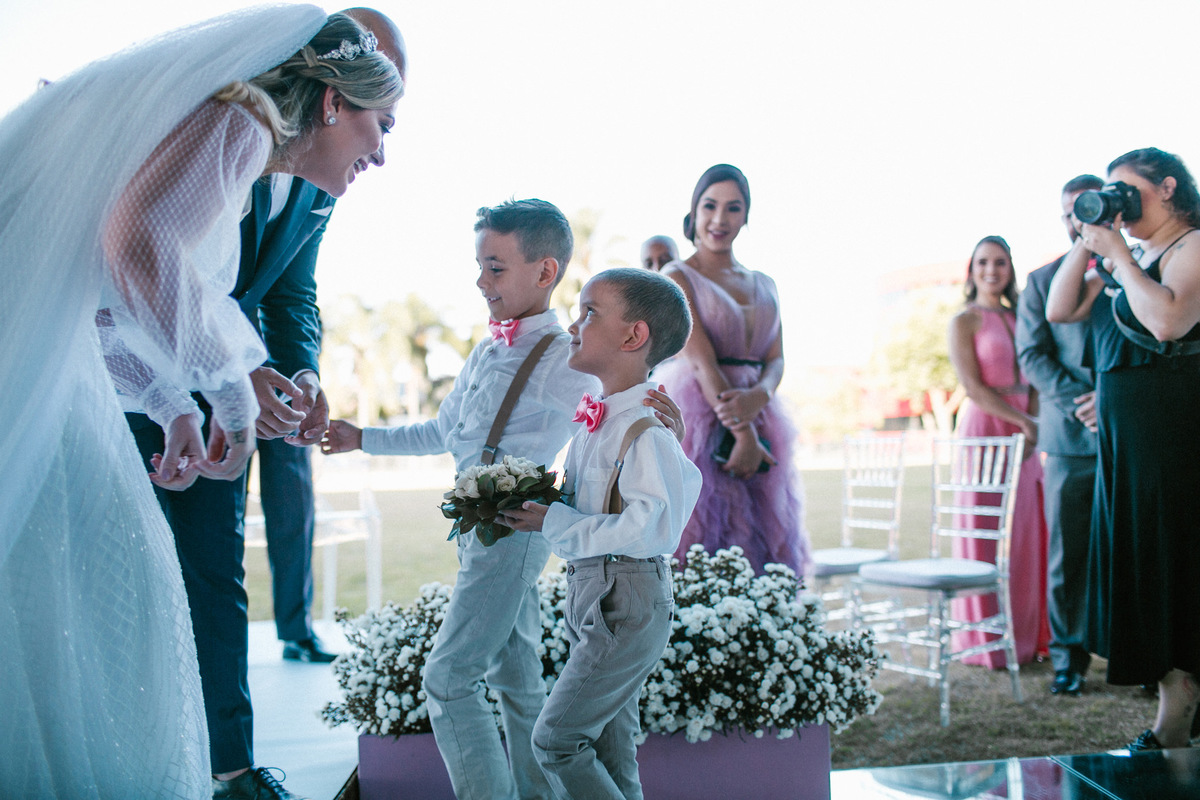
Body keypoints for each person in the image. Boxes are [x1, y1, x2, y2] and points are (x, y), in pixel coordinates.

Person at [0, 6, 401, 799]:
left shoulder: (227, 124)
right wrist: (228, 392)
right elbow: (138, 246)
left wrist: (169, 401)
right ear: (330, 103)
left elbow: (111, 291)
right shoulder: (242, 115)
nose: (382, 153)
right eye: (379, 124)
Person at [321, 200, 685, 800]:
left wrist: (666, 412)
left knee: (448, 677)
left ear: (544, 273)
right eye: (479, 266)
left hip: (517, 528)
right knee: (515, 680)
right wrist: (363, 438)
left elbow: (627, 378)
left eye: (495, 268)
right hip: (477, 526)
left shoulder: (564, 354)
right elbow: (445, 433)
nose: (480, 281)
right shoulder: (487, 350)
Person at [502, 267, 701, 800]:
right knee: (612, 748)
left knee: (557, 740)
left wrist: (556, 521)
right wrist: (541, 505)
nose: (573, 325)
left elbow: (654, 525)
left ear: (633, 337)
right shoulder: (602, 422)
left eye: (589, 312)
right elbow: (597, 504)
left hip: (625, 596)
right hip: (596, 592)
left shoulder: (644, 427)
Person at [1046, 147, 1200, 751]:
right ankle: (1177, 708)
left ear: (1167, 188)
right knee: (1144, 563)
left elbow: (1169, 322)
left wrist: (1118, 258)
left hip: (1173, 435)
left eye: (1127, 192)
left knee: (1173, 563)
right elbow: (1060, 308)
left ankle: (1174, 720)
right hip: (1129, 442)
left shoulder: (1190, 246)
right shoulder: (1131, 252)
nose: (1120, 203)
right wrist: (1092, 238)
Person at [654, 164, 808, 577]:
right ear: (694, 210)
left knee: (768, 536)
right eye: (710, 206)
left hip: (762, 413)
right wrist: (744, 434)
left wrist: (759, 398)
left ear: (746, 216)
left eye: (733, 208)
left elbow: (776, 359)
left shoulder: (765, 282)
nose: (720, 219)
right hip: (703, 413)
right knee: (709, 535)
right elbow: (701, 361)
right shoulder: (677, 275)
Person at [1015, 175, 1103, 696]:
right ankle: (1069, 658)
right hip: (1069, 438)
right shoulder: (1041, 282)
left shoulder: (1131, 270)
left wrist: (1111, 400)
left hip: (1129, 434)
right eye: (1070, 212)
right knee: (1067, 556)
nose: (1079, 220)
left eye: (1087, 209)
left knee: (1132, 549)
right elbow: (1032, 356)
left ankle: (1143, 656)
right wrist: (1081, 400)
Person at [947, 235, 1050, 668]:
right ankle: (985, 643)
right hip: (987, 428)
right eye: (984, 262)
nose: (992, 270)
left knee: (1028, 532)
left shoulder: (1023, 317)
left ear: (1010, 268)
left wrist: (1034, 420)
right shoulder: (964, 320)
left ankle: (1028, 638)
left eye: (1001, 262)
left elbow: (1037, 374)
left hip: (1026, 428)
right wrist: (1023, 421)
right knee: (984, 532)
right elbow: (971, 387)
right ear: (972, 269)